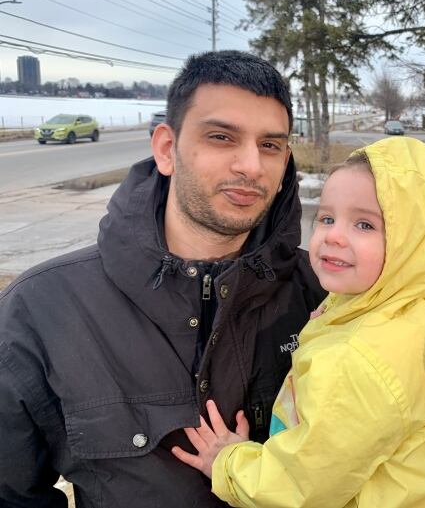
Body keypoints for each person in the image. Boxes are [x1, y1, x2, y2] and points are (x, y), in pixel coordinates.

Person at [0, 50, 326, 507]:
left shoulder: (327, 295)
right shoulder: (42, 310)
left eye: (270, 145)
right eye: (221, 137)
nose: (251, 166)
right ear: (167, 149)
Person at [172, 136, 425, 507]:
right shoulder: (408, 301)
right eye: (327, 217)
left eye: (365, 225)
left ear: (414, 242)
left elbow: (303, 486)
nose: (334, 236)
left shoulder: (355, 361)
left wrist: (228, 463)